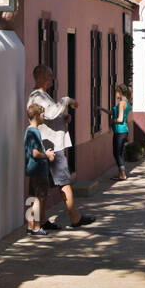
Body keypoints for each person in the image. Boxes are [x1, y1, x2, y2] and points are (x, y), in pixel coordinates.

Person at [27, 64, 95, 229]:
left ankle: (41, 221)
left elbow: (50, 116)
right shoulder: (37, 97)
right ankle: (74, 218)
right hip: (50, 148)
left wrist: (63, 119)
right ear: (41, 76)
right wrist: (66, 100)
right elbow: (49, 114)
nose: (52, 79)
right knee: (62, 182)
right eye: (49, 76)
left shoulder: (44, 96)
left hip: (50, 146)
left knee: (43, 189)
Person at [24, 103, 55, 237]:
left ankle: (30, 225)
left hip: (31, 169)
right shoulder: (35, 132)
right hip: (39, 169)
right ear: (36, 116)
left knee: (31, 198)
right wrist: (47, 155)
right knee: (39, 198)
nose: (44, 117)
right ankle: (37, 227)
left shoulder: (28, 130)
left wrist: (44, 151)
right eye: (42, 115)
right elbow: (35, 153)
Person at [109, 83, 130, 180]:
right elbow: (115, 113)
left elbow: (120, 119)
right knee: (120, 153)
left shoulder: (121, 103)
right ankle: (120, 173)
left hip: (119, 131)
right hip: (124, 131)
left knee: (117, 153)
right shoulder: (127, 102)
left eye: (116, 92)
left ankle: (122, 174)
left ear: (120, 92)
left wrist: (113, 120)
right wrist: (102, 109)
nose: (115, 94)